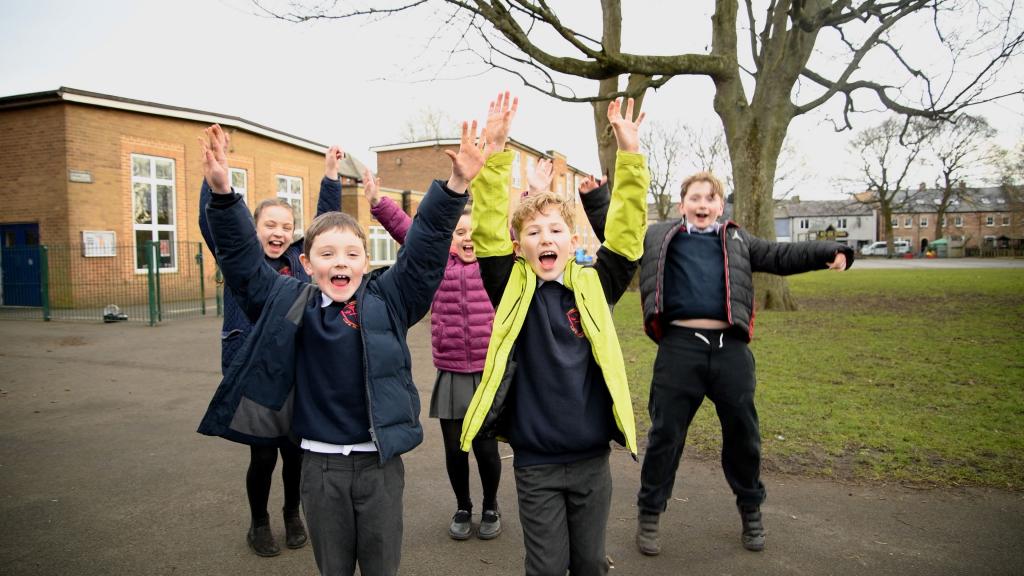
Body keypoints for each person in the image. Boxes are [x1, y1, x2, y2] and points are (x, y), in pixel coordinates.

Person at [196, 116, 487, 576]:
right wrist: (223, 193)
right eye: (328, 254)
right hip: (320, 469)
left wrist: (454, 186)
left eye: (351, 254)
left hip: (380, 467)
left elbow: (426, 248)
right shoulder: (288, 300)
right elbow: (243, 263)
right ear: (307, 263)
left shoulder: (390, 298)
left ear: (366, 261)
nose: (341, 263)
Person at [459, 95, 649, 576]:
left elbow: (626, 237)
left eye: (556, 230)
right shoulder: (510, 285)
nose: (546, 238)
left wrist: (630, 156)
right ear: (519, 245)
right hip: (536, 462)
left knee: (588, 563)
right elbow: (484, 230)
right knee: (545, 567)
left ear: (573, 240)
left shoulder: (594, 284)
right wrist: (498, 152)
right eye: (535, 232)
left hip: (591, 459)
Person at [625, 171, 855, 555]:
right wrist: (597, 198)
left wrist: (828, 251)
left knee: (743, 436)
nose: (702, 205)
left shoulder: (737, 240)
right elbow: (617, 231)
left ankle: (751, 510)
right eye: (695, 198)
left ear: (720, 205)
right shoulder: (658, 236)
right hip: (679, 350)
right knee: (666, 435)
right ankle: (649, 512)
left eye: (710, 198)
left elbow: (781, 256)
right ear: (682, 204)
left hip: (729, 350)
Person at [197, 144, 346, 557]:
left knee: (296, 455)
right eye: (269, 225)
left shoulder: (302, 264)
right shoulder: (240, 262)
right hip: (255, 379)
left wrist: (331, 177)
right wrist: (215, 182)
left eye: (286, 225)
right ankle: (259, 521)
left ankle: (291, 513)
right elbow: (216, 227)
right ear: (254, 229)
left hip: (295, 375)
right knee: (263, 457)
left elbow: (324, 226)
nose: (278, 232)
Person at [366, 180, 502, 541]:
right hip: (452, 372)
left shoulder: (494, 266)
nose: (467, 238)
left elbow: (513, 222)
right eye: (459, 232)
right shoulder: (437, 262)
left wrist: (531, 191)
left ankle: (490, 505)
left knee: (487, 448)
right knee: (456, 448)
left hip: (488, 373)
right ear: (450, 237)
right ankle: (463, 505)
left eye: (473, 232)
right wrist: (379, 203)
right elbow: (410, 231)